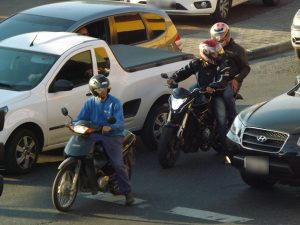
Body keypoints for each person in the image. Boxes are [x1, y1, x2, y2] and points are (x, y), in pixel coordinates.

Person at [167, 39, 233, 155]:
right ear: (205, 53)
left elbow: (223, 78)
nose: (217, 55)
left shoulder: (222, 64)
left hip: (217, 92)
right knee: (185, 103)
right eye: (214, 53)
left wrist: (213, 86)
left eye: (217, 52)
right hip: (201, 89)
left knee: (221, 120)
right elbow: (184, 71)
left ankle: (227, 152)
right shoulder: (196, 63)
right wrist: (173, 78)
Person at [76, 74, 134, 206]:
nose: (103, 91)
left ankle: (128, 192)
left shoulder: (115, 102)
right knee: (81, 152)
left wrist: (110, 127)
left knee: (118, 164)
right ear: (93, 90)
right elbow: (81, 118)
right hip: (94, 133)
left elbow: (119, 123)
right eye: (99, 89)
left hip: (112, 136)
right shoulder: (90, 103)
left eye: (105, 88)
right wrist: (74, 124)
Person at [210, 22, 251, 126]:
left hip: (231, 80)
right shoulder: (212, 48)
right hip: (216, 78)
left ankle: (233, 120)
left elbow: (246, 68)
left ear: (228, 35)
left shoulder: (238, 50)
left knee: (227, 95)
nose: (219, 39)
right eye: (216, 36)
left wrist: (237, 79)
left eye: (221, 36)